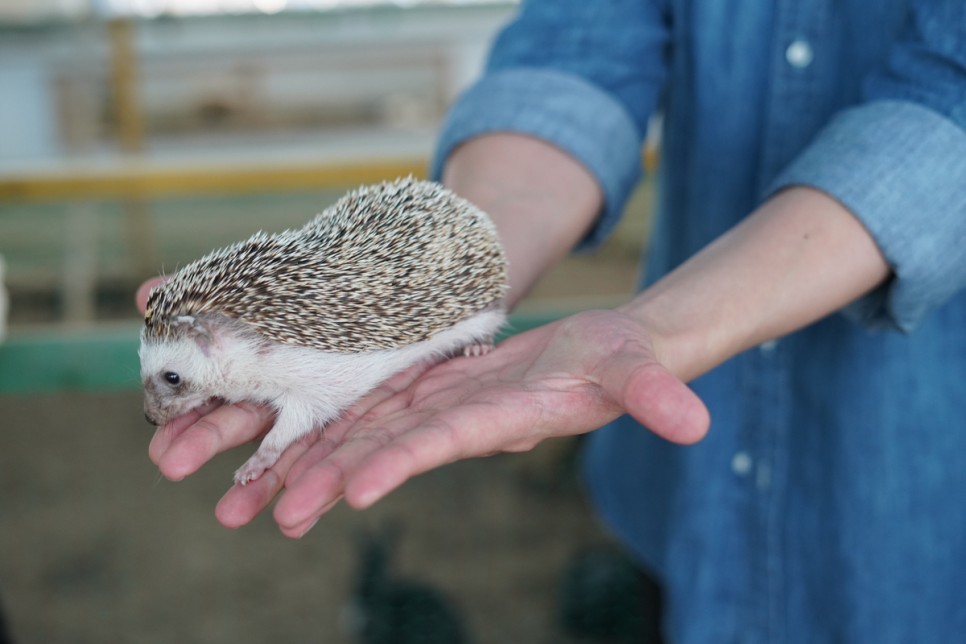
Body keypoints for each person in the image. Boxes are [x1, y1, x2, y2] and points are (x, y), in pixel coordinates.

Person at [137, 1, 966, 641]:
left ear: (225, 338)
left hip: (907, 498)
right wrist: (452, 257)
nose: (165, 400)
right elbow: (584, 37)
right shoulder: (279, 332)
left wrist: (665, 326)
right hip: (672, 518)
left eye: (175, 380)